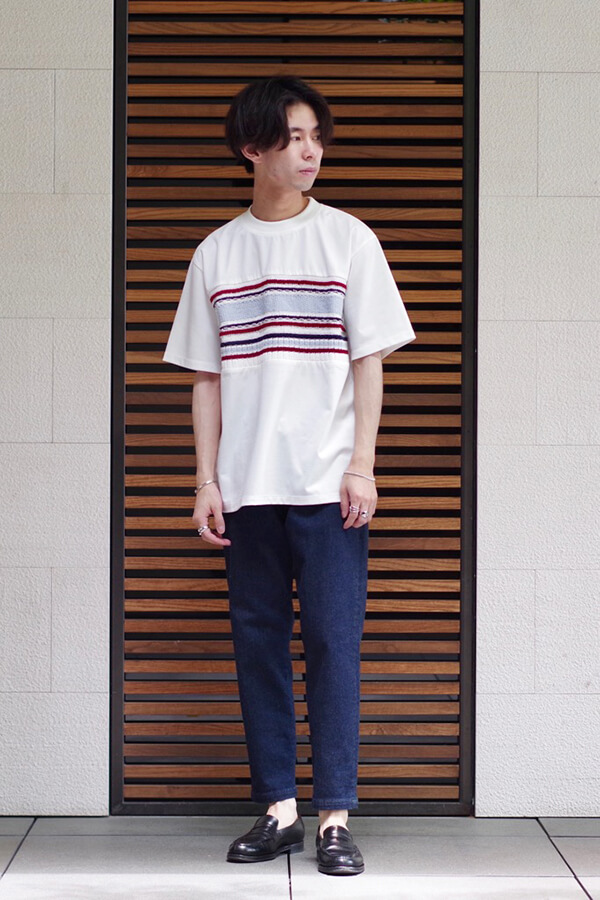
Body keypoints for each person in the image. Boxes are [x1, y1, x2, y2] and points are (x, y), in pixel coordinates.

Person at [163, 76, 416, 877]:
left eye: (316, 136)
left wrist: (362, 465)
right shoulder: (217, 252)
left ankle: (334, 816)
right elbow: (205, 380)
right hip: (247, 487)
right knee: (258, 645)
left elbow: (370, 363)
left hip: (329, 486)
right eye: (294, 137)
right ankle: (277, 810)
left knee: (335, 643)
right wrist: (206, 481)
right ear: (252, 148)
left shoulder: (348, 239)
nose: (311, 151)